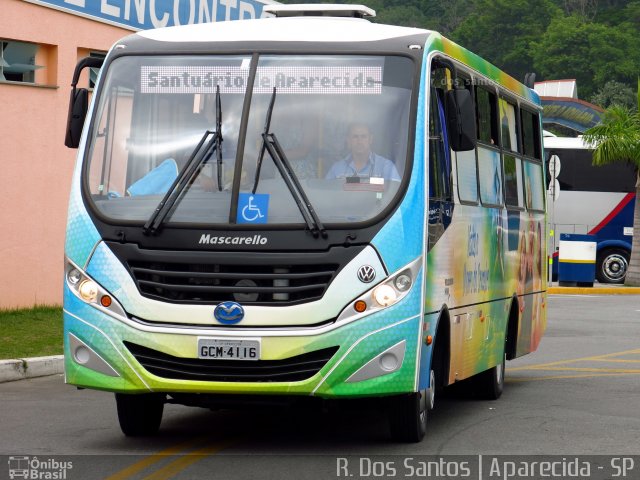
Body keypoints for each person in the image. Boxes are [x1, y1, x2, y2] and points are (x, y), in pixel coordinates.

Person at [325, 123, 400, 181]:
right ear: (348, 140)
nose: (359, 141)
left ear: (370, 139)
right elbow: (327, 194)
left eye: (363, 136)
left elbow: (396, 194)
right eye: (355, 137)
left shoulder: (386, 167)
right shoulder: (337, 169)